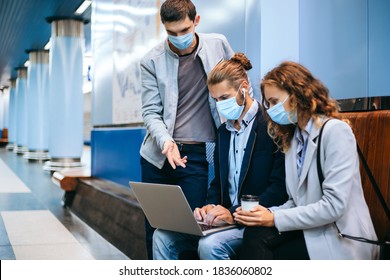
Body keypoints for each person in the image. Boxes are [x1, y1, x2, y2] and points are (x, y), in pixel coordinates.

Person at [234, 61, 379, 260]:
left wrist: (274, 217)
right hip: (312, 230)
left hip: (340, 237)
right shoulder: (294, 138)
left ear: (297, 95)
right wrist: (263, 213)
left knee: (263, 246)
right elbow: (295, 201)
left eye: (275, 101)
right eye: (268, 103)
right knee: (254, 233)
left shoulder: (335, 131)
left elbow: (333, 206)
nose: (270, 109)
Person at [152, 53, 288, 260]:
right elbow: (217, 184)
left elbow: (278, 189)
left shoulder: (272, 128)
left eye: (224, 98)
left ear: (244, 87)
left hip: (254, 220)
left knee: (210, 245)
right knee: (162, 236)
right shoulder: (223, 133)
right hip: (225, 221)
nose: (220, 105)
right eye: (215, 99)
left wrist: (233, 213)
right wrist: (210, 207)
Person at [139, 0, 235, 259]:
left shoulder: (218, 44)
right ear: (164, 28)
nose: (179, 38)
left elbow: (235, 82)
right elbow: (150, 112)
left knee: (192, 228)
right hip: (158, 156)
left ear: (197, 21)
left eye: (184, 30)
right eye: (172, 33)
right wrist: (166, 143)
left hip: (195, 156)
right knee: (155, 228)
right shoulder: (151, 61)